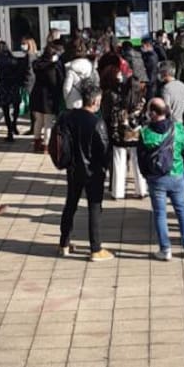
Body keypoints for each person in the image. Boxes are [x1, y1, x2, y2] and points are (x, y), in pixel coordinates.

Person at [57, 81, 113, 261]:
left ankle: (64, 243)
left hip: (73, 168)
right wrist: (106, 167)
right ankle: (95, 248)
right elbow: (104, 149)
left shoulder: (67, 117)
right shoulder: (97, 122)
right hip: (93, 171)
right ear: (96, 101)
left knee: (70, 204)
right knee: (94, 208)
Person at [138, 98, 184, 261]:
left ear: (152, 114)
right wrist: (181, 168)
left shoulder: (145, 133)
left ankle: (165, 249)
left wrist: (146, 175)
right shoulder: (178, 128)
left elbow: (141, 159)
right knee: (182, 211)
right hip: (176, 175)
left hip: (156, 178)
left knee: (160, 214)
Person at [102, 64, 147, 200]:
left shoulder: (119, 101)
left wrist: (114, 131)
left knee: (118, 163)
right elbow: (145, 118)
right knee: (138, 163)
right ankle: (141, 190)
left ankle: (117, 192)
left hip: (120, 135)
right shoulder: (142, 102)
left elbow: (114, 118)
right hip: (136, 134)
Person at [30, 44, 64, 153]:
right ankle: (46, 146)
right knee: (48, 122)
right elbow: (55, 83)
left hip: (37, 95)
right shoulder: (52, 67)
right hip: (48, 97)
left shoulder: (37, 64)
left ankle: (36, 143)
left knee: (38, 121)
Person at [0, 41, 25, 142]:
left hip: (3, 87)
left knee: (6, 111)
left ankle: (9, 132)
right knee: (16, 107)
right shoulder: (13, 59)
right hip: (13, 86)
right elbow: (21, 72)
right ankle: (14, 124)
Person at [62, 38, 95, 110]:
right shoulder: (90, 66)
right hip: (88, 101)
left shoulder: (70, 68)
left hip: (73, 102)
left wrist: (66, 99)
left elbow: (66, 88)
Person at [157, 61, 184, 127]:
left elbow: (166, 109)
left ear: (165, 73)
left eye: (160, 72)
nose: (159, 74)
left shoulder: (166, 88)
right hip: (181, 125)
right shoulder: (183, 86)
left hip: (170, 125)